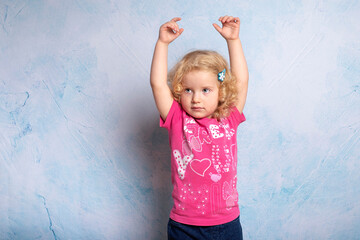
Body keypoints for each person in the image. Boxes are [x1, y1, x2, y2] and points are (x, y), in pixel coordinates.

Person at [150, 15, 249, 240]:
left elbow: (241, 81)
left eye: (205, 90)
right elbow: (157, 83)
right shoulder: (176, 117)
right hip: (184, 225)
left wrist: (233, 41)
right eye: (188, 90)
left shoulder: (229, 116)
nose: (196, 99)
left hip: (226, 224)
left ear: (221, 91)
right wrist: (162, 44)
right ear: (178, 90)